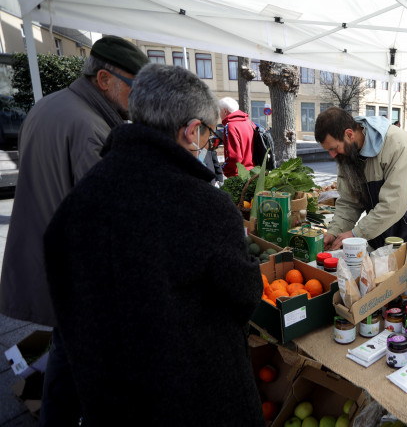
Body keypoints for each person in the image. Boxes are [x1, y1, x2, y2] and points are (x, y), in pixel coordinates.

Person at [44, 64, 265, 426]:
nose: (210, 143)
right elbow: (244, 296)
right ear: (192, 132)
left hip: (112, 403)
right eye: (210, 135)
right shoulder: (205, 207)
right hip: (201, 397)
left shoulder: (77, 203)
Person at [0, 35, 148, 426]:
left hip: (45, 256)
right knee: (78, 357)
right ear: (104, 79)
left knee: (66, 350)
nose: (140, 99)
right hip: (73, 272)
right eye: (136, 87)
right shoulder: (91, 128)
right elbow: (108, 218)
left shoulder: (50, 105)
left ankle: (54, 412)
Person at [315, 107, 407, 250]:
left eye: (334, 148)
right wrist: (334, 232)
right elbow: (349, 202)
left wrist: (356, 233)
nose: (332, 155)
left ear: (349, 135)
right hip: (377, 238)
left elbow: (393, 204)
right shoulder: (347, 155)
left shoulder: (399, 144)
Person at [219, 96, 255, 177]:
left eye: (219, 111)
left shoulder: (230, 126)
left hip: (238, 175)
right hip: (253, 171)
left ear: (225, 111)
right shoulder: (250, 123)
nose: (219, 114)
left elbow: (235, 157)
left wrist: (224, 169)